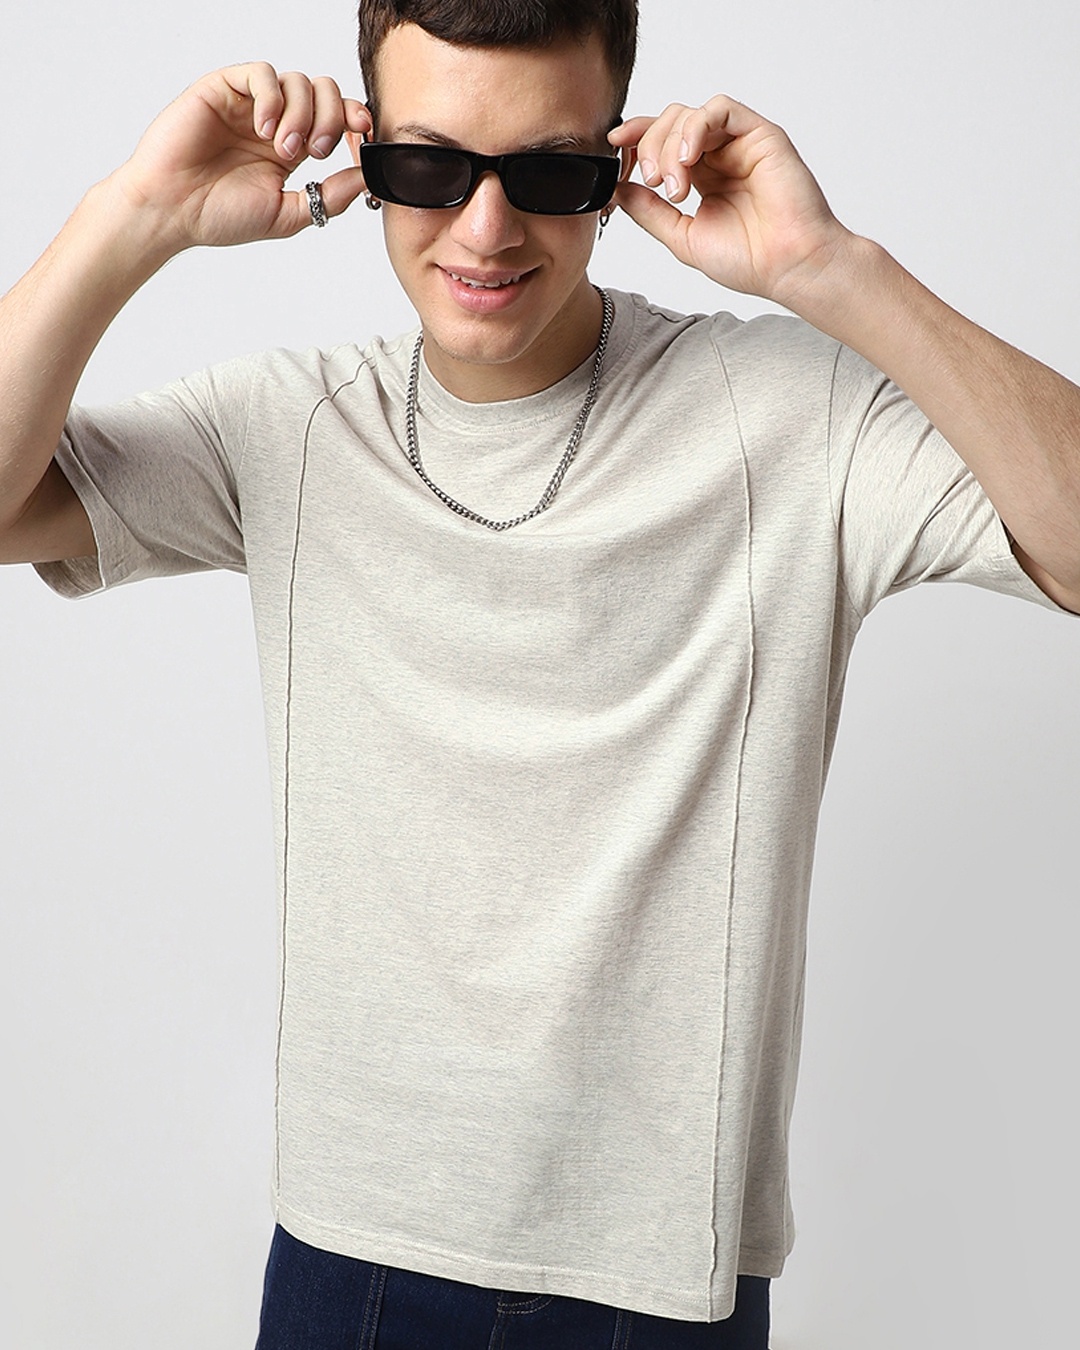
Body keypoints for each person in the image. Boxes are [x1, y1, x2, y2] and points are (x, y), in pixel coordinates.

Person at [1, 0, 1077, 1346]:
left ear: (619, 168)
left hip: (660, 1277)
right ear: (368, 153)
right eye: (429, 167)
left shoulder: (786, 418)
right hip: (354, 1252)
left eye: (551, 174)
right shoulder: (292, 427)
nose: (487, 228)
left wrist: (833, 267)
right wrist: (133, 216)